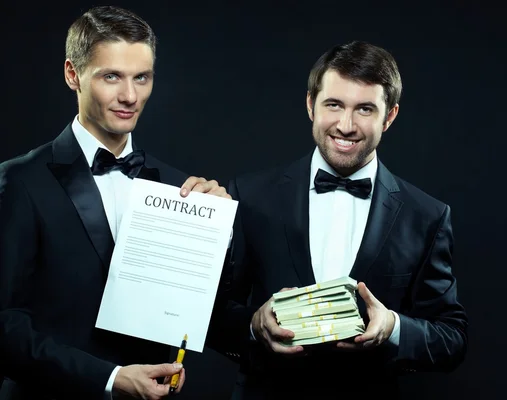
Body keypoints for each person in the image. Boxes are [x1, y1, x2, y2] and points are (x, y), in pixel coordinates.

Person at [184, 40, 468, 398]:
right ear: (310, 105)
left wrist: (393, 327)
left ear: (390, 116)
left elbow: (452, 338)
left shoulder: (427, 216)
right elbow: (208, 312)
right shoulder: (250, 194)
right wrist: (255, 326)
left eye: (365, 109)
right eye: (334, 104)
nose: (346, 125)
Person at [0, 6, 227, 400]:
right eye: (112, 77)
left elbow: (200, 310)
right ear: (73, 75)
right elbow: (3, 325)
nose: (130, 96)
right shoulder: (18, 181)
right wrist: (110, 378)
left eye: (142, 78)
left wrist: (217, 231)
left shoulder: (178, 187)